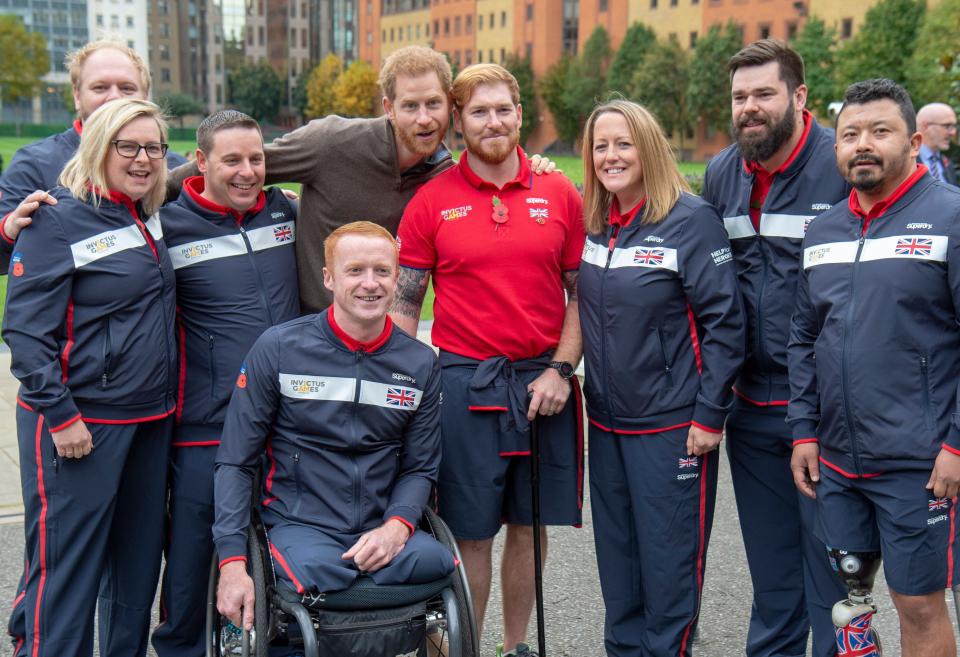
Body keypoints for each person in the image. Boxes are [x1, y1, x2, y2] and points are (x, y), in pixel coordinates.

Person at [391, 63, 584, 657]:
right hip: (464, 383)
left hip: (542, 383)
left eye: (503, 109)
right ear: (458, 119)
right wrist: (402, 392)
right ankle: (468, 647)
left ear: (520, 113)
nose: (493, 121)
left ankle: (516, 646)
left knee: (530, 526)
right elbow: (404, 305)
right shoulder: (431, 202)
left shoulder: (558, 191)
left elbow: (583, 295)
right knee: (471, 534)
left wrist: (561, 369)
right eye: (478, 111)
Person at [168, 45, 553, 313]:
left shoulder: (444, 177)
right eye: (410, 106)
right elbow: (239, 164)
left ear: (449, 107)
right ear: (388, 108)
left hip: (383, 334)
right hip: (310, 326)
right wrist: (142, 192)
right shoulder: (332, 142)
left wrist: (534, 166)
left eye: (433, 104)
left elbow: (498, 197)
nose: (424, 118)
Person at [789, 78, 960, 657]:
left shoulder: (950, 218)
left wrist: (957, 446)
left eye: (880, 132)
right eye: (850, 134)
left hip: (920, 461)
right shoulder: (824, 230)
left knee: (917, 603)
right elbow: (802, 337)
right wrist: (805, 431)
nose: (862, 145)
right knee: (851, 598)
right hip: (837, 460)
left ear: (912, 141)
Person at [214, 221, 454, 630]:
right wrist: (232, 564)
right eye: (355, 270)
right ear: (329, 278)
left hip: (381, 524)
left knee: (437, 562)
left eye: (382, 271)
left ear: (397, 278)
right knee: (320, 574)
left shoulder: (420, 364)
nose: (370, 284)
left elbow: (420, 467)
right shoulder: (278, 348)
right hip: (301, 525)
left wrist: (397, 526)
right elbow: (235, 462)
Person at [3, 99, 178, 657]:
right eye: (128, 146)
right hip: (80, 427)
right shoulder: (56, 217)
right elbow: (27, 335)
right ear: (98, 145)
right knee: (66, 581)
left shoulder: (146, 213)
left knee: (135, 574)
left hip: (149, 421)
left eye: (153, 147)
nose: (144, 158)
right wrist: (62, 416)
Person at [579, 99, 745, 657]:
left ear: (647, 147)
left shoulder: (690, 220)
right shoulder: (598, 226)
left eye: (623, 144)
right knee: (620, 566)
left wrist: (709, 415)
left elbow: (725, 325)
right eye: (601, 146)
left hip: (673, 427)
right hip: (606, 424)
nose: (611, 156)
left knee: (670, 568)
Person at [700, 39, 849, 657]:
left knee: (836, 571)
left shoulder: (841, 163)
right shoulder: (720, 173)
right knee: (772, 573)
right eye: (740, 97)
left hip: (830, 410)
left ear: (799, 96)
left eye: (764, 94)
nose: (749, 109)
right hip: (753, 407)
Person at [150, 110, 300, 657]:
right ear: (201, 160)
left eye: (256, 159)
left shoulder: (286, 212)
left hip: (287, 422)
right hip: (205, 424)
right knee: (191, 557)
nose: (246, 172)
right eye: (231, 160)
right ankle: (182, 647)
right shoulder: (167, 224)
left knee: (282, 546)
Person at [0, 40, 186, 235]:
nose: (114, 97)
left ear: (145, 97)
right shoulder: (34, 165)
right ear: (77, 96)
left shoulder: (172, 165)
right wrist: (9, 230)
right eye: (100, 87)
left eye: (127, 88)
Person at [916, 102, 958, 185]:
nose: (953, 132)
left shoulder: (948, 164)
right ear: (925, 126)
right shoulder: (904, 162)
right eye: (947, 126)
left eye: (953, 126)